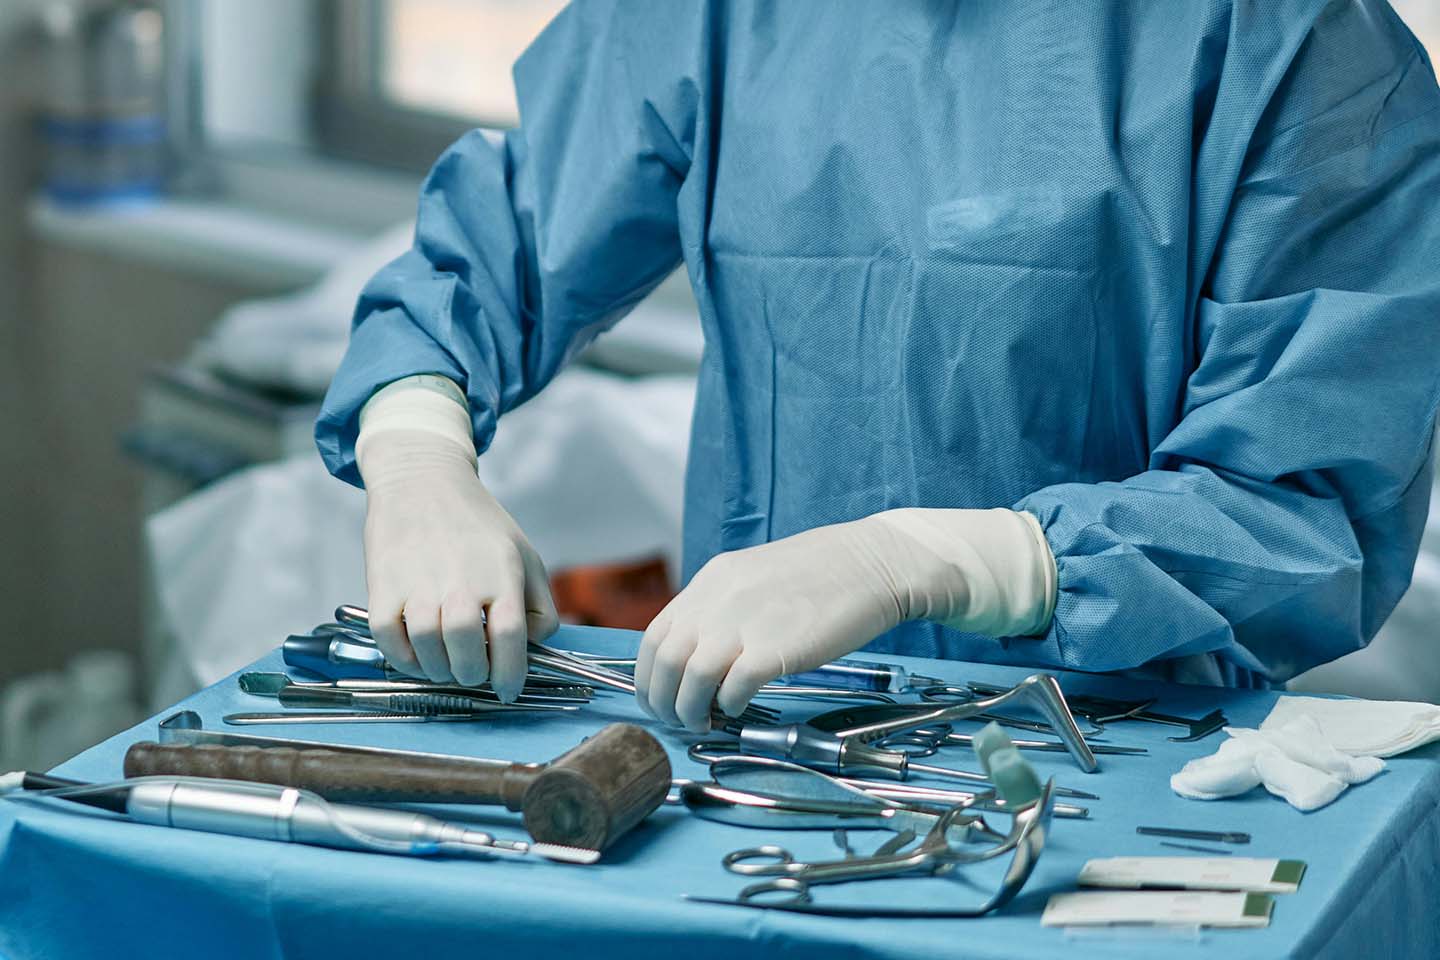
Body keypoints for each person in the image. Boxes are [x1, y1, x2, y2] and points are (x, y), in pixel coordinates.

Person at [318, 0, 1440, 732]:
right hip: (759, 725)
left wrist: (944, 558)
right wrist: (418, 455)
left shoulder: (1294, 46)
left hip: (1113, 748)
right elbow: (505, 239)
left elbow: (1307, 509)